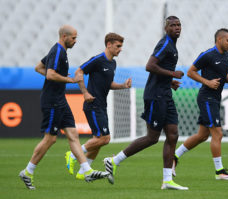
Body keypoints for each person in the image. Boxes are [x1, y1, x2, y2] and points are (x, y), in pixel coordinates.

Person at [19, 25, 109, 190]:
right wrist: (70, 80)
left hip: (61, 100)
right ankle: (27, 171)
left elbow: (39, 67)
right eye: (73, 38)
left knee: (73, 135)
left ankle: (86, 170)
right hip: (52, 101)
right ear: (64, 36)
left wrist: (60, 77)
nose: (76, 41)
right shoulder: (58, 51)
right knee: (50, 139)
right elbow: (50, 74)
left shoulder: (60, 52)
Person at [104, 16, 188, 190]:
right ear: (166, 29)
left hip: (165, 94)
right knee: (152, 138)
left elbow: (159, 70)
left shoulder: (172, 45)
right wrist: (172, 75)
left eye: (179, 25)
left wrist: (169, 82)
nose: (177, 28)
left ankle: (167, 181)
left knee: (173, 134)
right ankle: (114, 161)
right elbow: (150, 66)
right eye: (172, 25)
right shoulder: (165, 43)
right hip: (156, 96)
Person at [64, 33, 131, 182]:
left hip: (101, 105)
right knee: (105, 139)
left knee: (98, 140)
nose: (120, 49)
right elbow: (78, 72)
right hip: (92, 105)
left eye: (121, 46)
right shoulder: (97, 60)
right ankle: (74, 155)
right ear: (109, 45)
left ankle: (84, 171)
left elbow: (109, 84)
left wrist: (122, 86)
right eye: (118, 46)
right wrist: (85, 93)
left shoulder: (113, 63)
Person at [173, 28, 228, 180]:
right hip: (206, 98)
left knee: (202, 136)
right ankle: (219, 172)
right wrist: (207, 82)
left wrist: (227, 80)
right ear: (219, 39)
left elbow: (219, 76)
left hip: (215, 98)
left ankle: (174, 156)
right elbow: (191, 72)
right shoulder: (207, 55)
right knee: (218, 133)